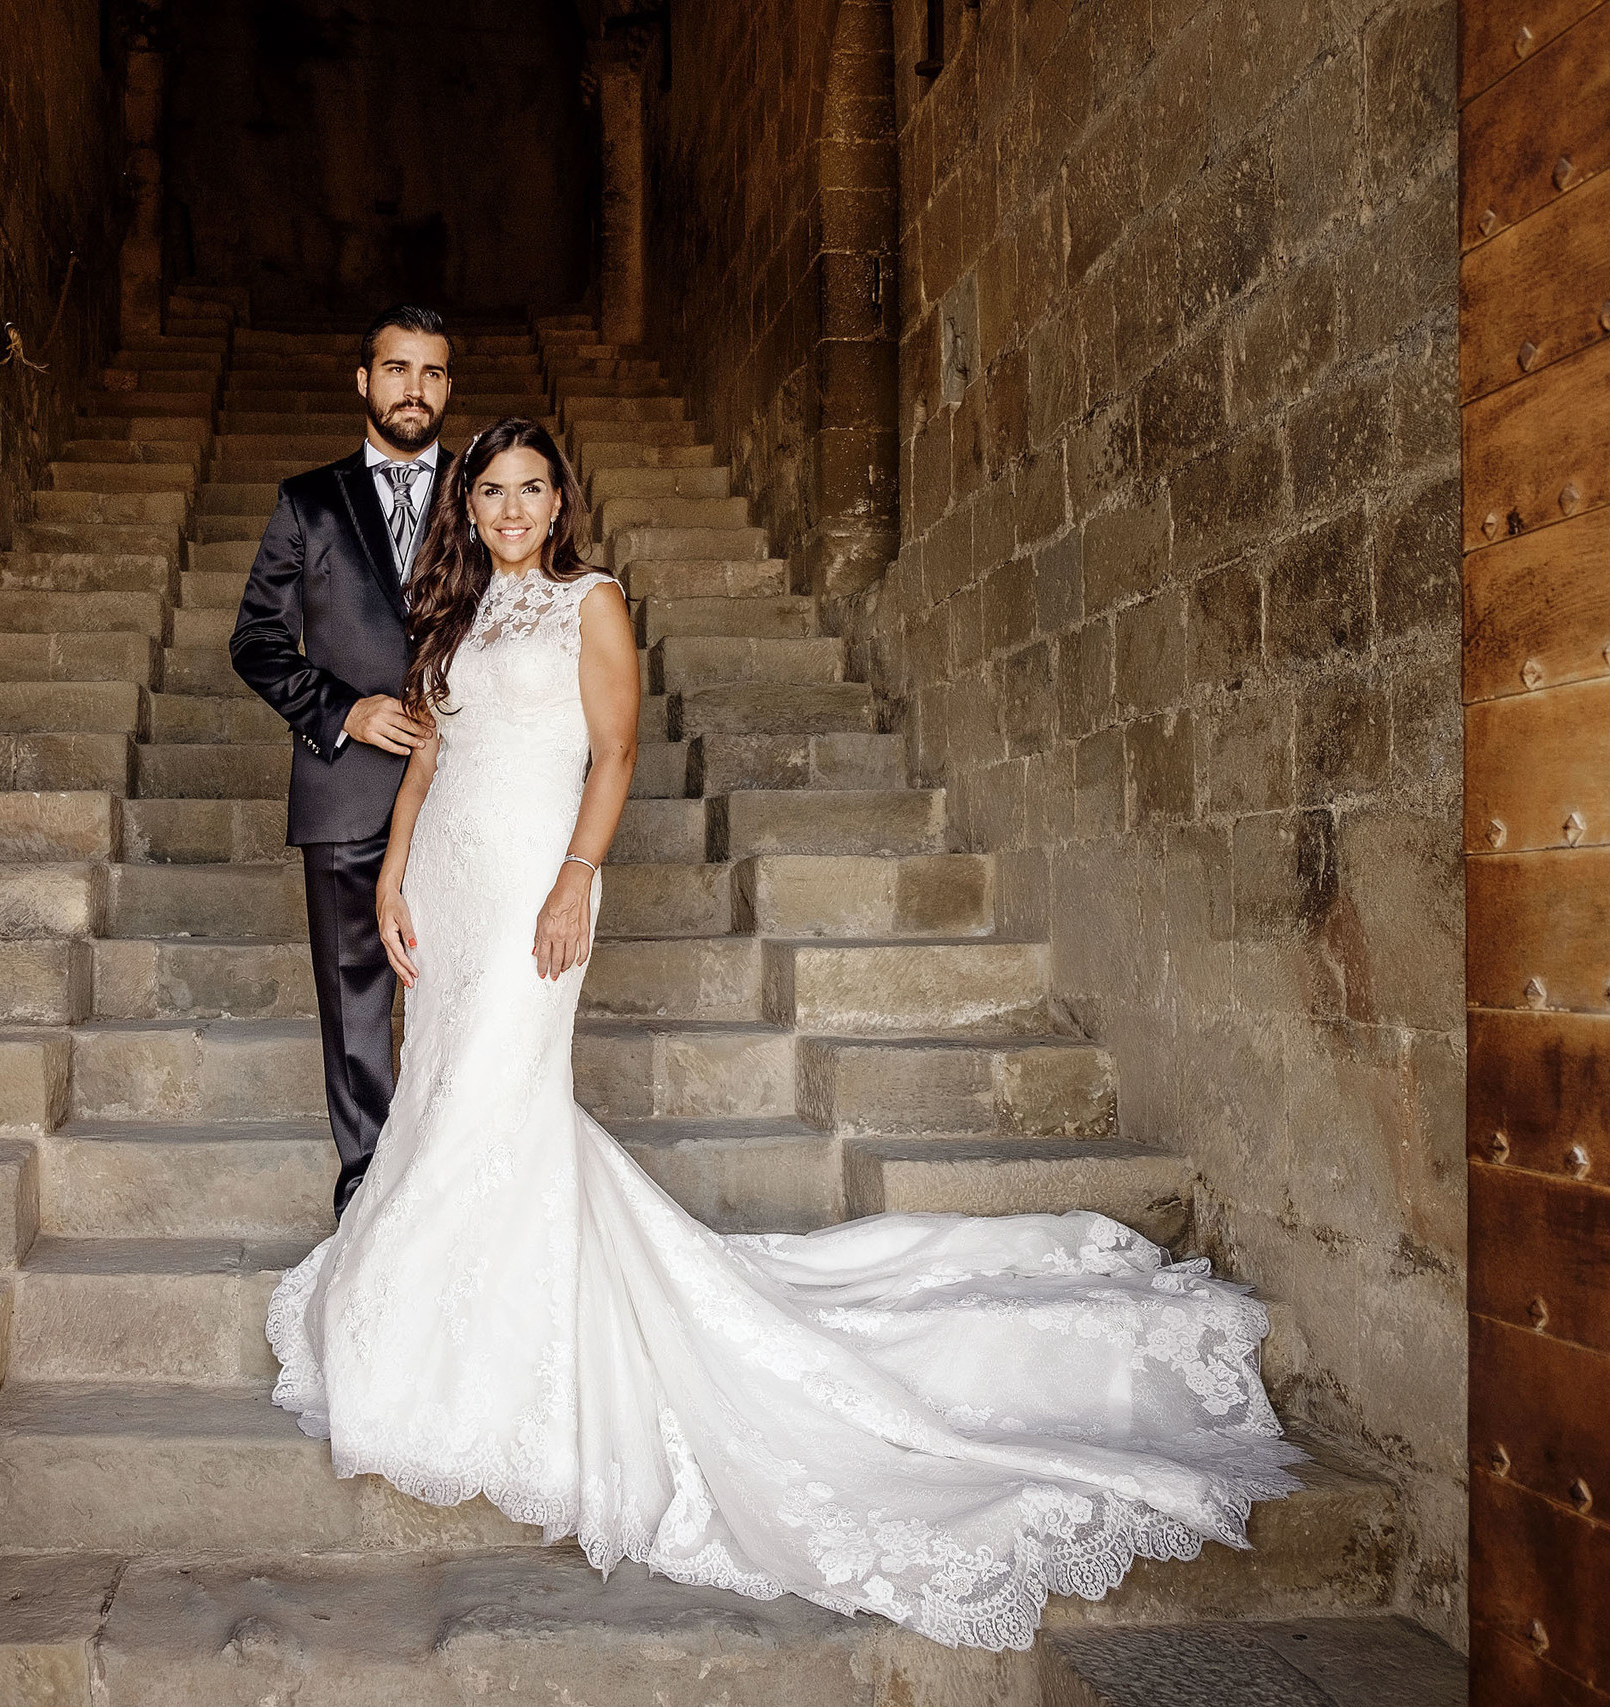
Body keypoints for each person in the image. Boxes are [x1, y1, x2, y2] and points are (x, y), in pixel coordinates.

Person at [263, 416, 1303, 1653]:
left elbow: (615, 751)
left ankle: (500, 1348)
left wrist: (573, 879)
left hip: (535, 892)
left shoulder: (591, 602)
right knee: (439, 1098)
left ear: (559, 502)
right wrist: (389, 879)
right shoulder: (457, 617)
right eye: (489, 491)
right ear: (470, 506)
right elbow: (428, 762)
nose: (508, 509)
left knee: (500, 1098)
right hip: (445, 884)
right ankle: (426, 1303)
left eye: (530, 490)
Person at [230, 304, 453, 1218]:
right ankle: (369, 1196)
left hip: (466, 791)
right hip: (345, 787)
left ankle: (456, 1181)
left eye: (433, 373)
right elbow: (255, 640)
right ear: (363, 382)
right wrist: (343, 711)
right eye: (397, 369)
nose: (415, 388)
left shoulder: (486, 495)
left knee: (466, 989)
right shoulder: (308, 502)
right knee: (356, 999)